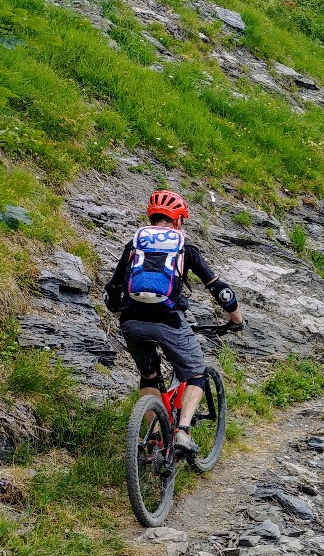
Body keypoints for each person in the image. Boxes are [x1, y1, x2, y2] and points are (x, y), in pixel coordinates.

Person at [104, 190, 244, 455]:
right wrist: (236, 318)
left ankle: (154, 440)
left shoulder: (136, 244)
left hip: (131, 322)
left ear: (152, 216)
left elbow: (113, 289)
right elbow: (217, 288)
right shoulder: (184, 246)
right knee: (197, 373)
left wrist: (121, 313)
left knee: (149, 376)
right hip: (168, 320)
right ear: (178, 219)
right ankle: (182, 431)